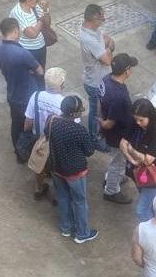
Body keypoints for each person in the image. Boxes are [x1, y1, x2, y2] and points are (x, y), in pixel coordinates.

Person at [47, 95, 98, 243]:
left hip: (56, 168)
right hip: (75, 172)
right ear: (75, 113)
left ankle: (66, 228)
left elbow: (46, 134)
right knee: (79, 201)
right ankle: (82, 233)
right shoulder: (79, 130)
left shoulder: (52, 121)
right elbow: (89, 151)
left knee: (63, 198)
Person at [0, 18, 43, 162]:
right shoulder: (23, 53)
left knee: (16, 125)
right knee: (31, 127)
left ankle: (19, 154)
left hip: (12, 93)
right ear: (16, 31)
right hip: (27, 96)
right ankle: (30, 154)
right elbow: (40, 71)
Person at [120, 98, 156, 222]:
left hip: (153, 175)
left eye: (141, 120)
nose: (138, 123)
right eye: (136, 119)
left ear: (150, 117)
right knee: (149, 202)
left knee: (141, 211)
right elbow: (122, 143)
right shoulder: (135, 123)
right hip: (138, 172)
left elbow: (148, 160)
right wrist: (133, 160)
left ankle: (150, 233)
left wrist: (131, 151)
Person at [100, 53, 138, 205]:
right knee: (118, 162)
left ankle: (112, 178)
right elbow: (109, 123)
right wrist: (102, 123)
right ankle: (111, 190)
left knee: (117, 161)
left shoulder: (106, 79)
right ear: (126, 70)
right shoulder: (119, 96)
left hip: (111, 132)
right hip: (118, 135)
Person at [23, 66, 66, 201]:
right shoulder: (64, 103)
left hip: (39, 138)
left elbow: (28, 122)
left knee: (39, 164)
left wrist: (27, 134)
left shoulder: (36, 96)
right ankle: (56, 195)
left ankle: (39, 188)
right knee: (56, 169)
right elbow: (72, 125)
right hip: (56, 141)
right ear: (62, 85)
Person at [79, 3, 114, 149]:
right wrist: (109, 49)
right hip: (95, 82)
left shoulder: (93, 30)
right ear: (93, 19)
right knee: (96, 113)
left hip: (98, 79)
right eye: (102, 19)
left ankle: (98, 134)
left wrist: (107, 48)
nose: (103, 21)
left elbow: (107, 39)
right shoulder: (89, 39)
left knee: (100, 111)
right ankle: (94, 140)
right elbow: (107, 60)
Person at [9, 0, 50, 79]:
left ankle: (40, 89)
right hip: (27, 50)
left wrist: (45, 11)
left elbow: (47, 23)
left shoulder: (35, 6)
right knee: (30, 75)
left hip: (41, 47)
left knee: (41, 71)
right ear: (28, 1)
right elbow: (32, 34)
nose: (38, 0)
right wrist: (41, 19)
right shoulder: (18, 13)